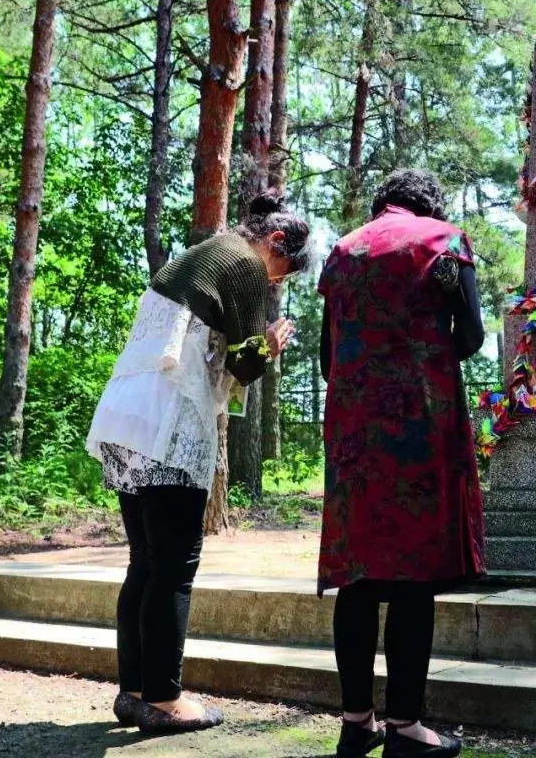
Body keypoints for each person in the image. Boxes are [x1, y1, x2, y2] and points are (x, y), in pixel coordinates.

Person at [85, 192, 310, 735]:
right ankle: (164, 700)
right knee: (174, 567)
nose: (276, 282)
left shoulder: (201, 252)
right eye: (282, 271)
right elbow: (243, 361)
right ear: (276, 242)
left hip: (125, 416)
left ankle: (134, 693)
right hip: (170, 421)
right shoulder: (243, 261)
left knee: (145, 561)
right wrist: (272, 343)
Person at [318, 169, 486, 758]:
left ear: (380, 205)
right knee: (414, 579)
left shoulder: (342, 251)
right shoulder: (444, 240)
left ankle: (355, 722)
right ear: (428, 204)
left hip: (354, 436)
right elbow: (469, 339)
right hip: (419, 428)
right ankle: (408, 728)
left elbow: (325, 361)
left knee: (358, 578)